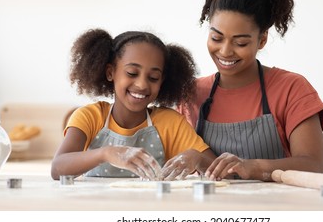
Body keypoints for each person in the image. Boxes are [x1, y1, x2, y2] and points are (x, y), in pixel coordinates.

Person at [177, 0, 323, 181]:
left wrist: (254, 167)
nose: (226, 51)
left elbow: (313, 165)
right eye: (216, 38)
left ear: (262, 40)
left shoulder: (292, 89)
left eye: (240, 43)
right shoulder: (192, 94)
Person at [51, 29, 216, 181]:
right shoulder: (90, 116)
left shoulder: (169, 122)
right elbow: (58, 168)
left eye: (153, 77)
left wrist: (197, 158)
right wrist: (106, 153)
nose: (142, 84)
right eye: (132, 73)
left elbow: (215, 167)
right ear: (110, 72)